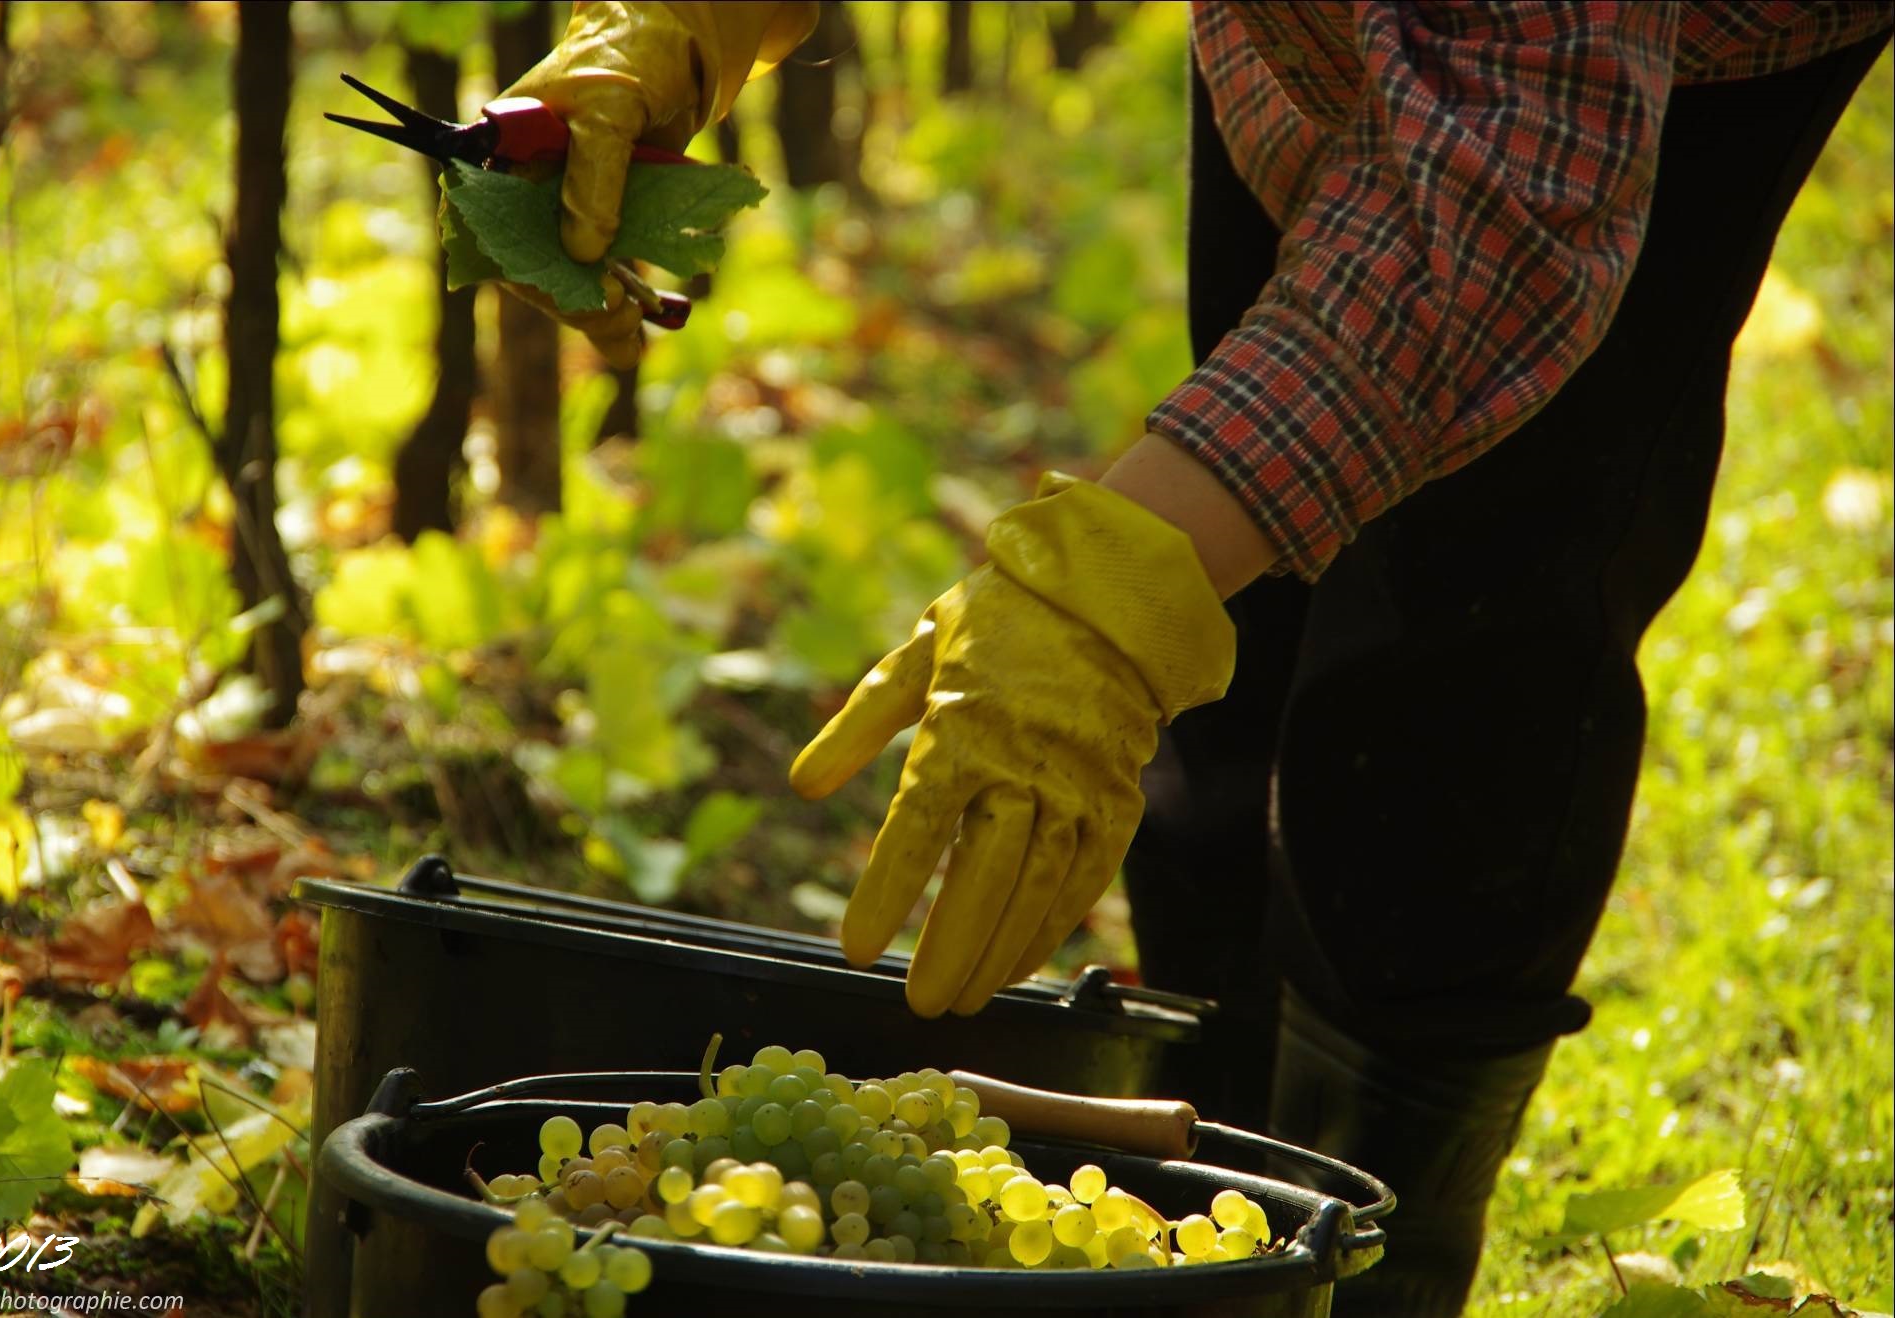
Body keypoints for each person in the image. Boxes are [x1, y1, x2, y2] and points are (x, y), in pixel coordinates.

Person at [499, 4, 1893, 1312]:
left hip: (1622, 78)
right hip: (1296, 42)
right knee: (1224, 676)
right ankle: (1202, 1218)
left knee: (1455, 688)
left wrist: (1119, 587)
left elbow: (1505, 202)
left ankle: (1366, 1255)